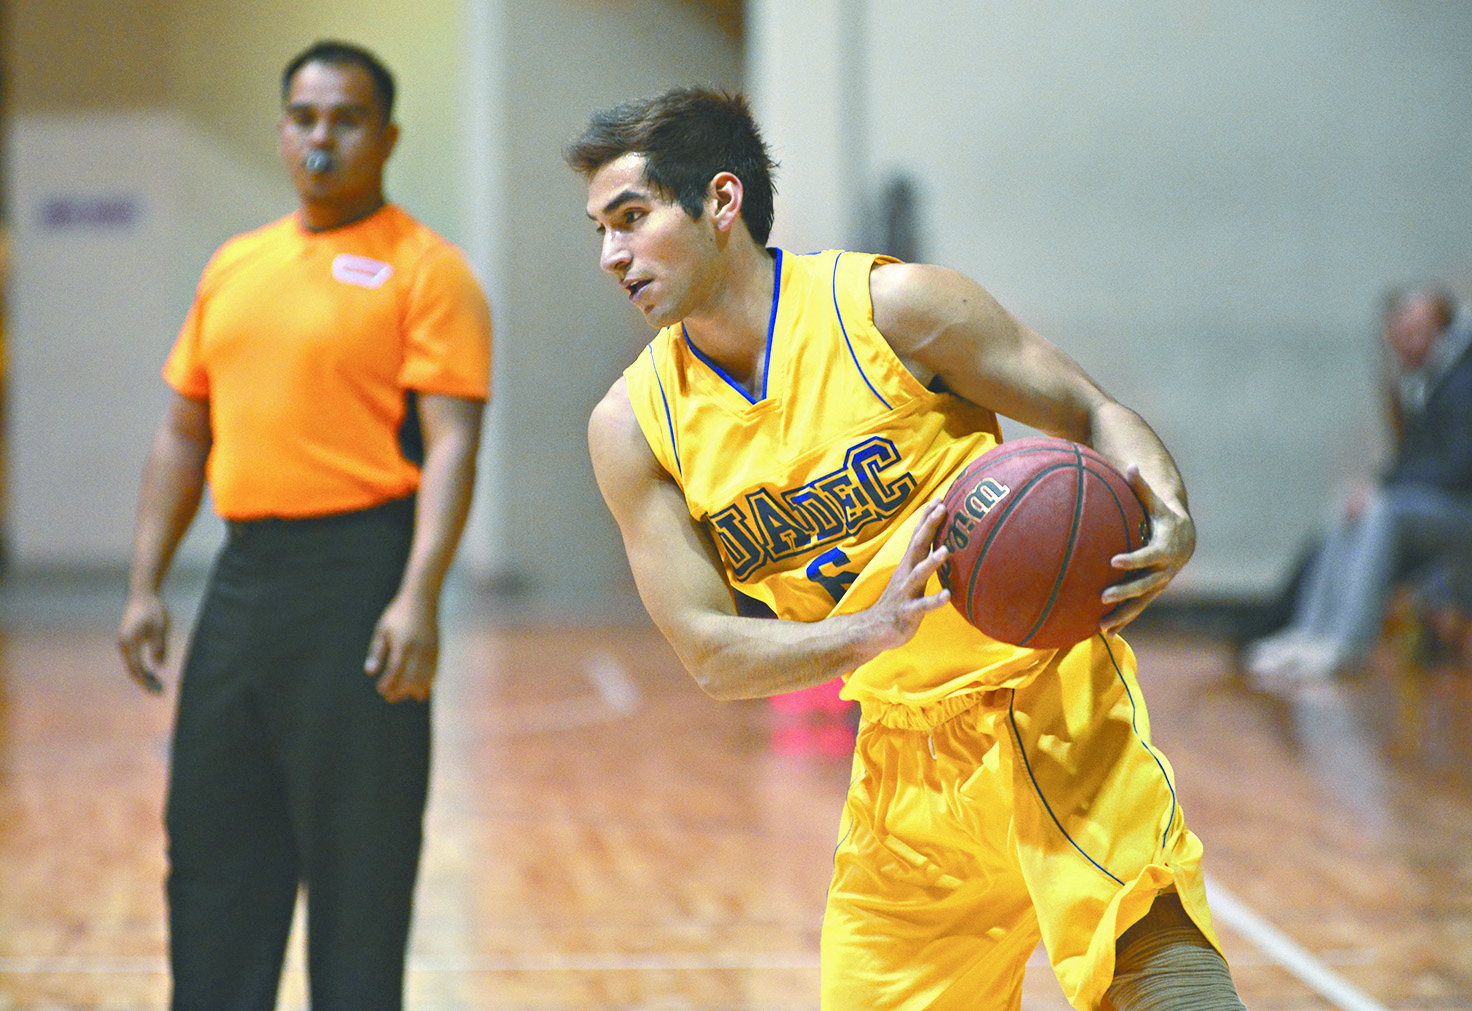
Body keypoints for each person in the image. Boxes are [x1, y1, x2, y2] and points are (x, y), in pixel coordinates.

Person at [567, 87, 1245, 1011]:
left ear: (721, 201)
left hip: (1049, 701)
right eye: (601, 230)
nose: (611, 254)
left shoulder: (892, 309)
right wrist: (870, 630)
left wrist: (1167, 506)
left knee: (1162, 981)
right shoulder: (634, 426)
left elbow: (1092, 410)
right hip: (900, 761)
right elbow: (709, 652)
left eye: (631, 218)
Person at [116, 40, 492, 1011]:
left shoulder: (428, 271)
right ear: (283, 129)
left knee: (360, 870)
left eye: (347, 118)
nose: (322, 137)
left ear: (387, 137)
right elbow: (182, 432)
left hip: (361, 578)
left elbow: (453, 445)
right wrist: (144, 585)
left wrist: (419, 596)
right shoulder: (233, 265)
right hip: (243, 581)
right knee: (211, 849)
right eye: (305, 116)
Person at [1245, 286, 1472, 687]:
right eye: (1399, 334)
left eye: (1417, 331)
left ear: (1441, 331)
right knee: (1350, 502)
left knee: (1381, 510)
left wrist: (1382, 491)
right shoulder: (1428, 382)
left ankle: (1344, 643)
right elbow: (1413, 462)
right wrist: (1373, 486)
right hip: (1436, 507)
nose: (1406, 342)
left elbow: (1456, 467)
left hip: (1459, 513)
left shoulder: (1461, 380)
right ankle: (1309, 632)